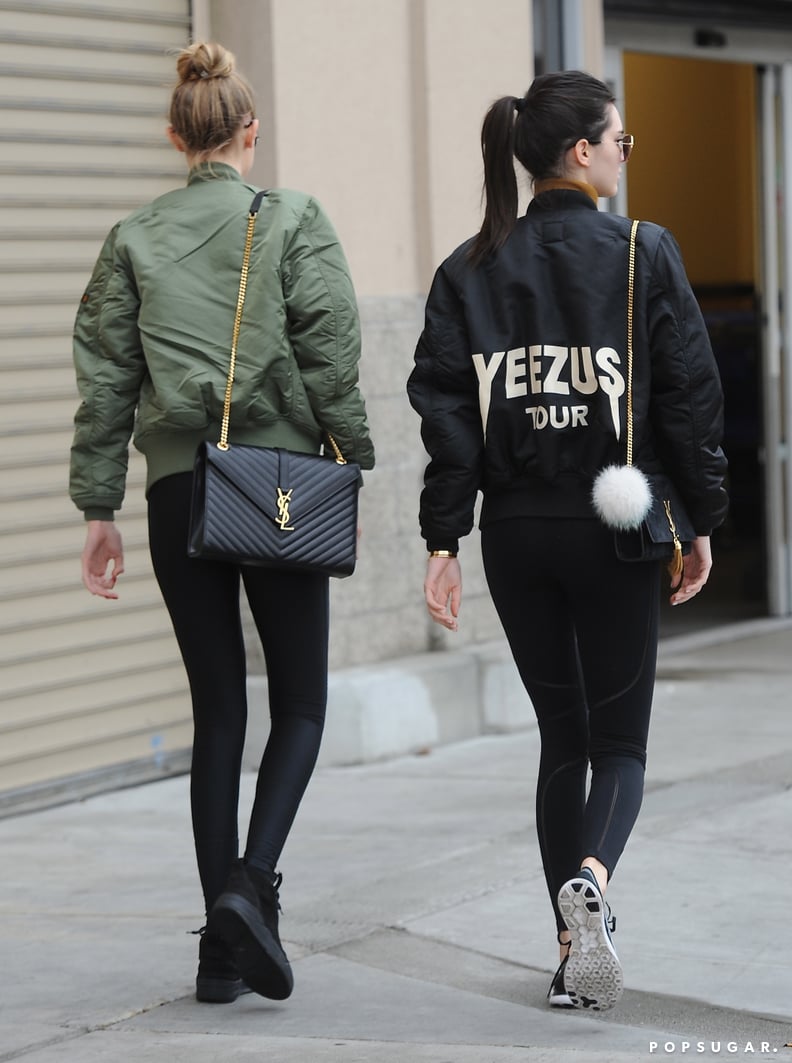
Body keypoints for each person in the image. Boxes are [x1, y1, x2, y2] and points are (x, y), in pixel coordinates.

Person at [407, 70, 727, 1012]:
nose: (626, 155)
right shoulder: (642, 251)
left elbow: (447, 413)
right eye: (621, 140)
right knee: (621, 744)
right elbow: (688, 397)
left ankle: (566, 953)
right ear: (581, 151)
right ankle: (592, 876)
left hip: (514, 534)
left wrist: (441, 540)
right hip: (615, 528)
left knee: (561, 741)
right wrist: (699, 519)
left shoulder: (468, 269)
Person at [70, 42, 375, 1005]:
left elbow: (107, 378)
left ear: (175, 136)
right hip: (279, 481)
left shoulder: (132, 236)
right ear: (252, 130)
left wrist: (97, 507)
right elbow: (329, 350)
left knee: (218, 711)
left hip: (176, 489)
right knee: (303, 704)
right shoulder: (293, 218)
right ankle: (254, 886)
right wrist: (354, 457)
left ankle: (218, 949)